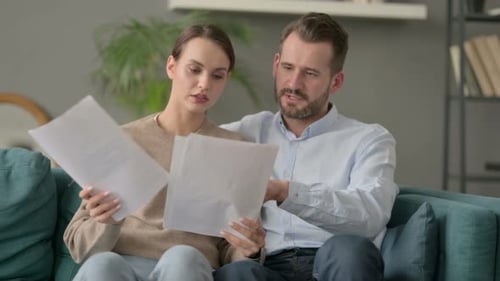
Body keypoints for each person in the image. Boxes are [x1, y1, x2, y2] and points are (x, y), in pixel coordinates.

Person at [64, 24, 265, 281]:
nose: (204, 84)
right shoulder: (123, 139)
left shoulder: (235, 150)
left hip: (188, 268)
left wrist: (250, 248)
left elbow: (231, 249)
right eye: (194, 70)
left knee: (183, 256)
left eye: (218, 75)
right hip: (119, 265)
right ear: (172, 66)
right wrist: (106, 221)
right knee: (103, 265)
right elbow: (78, 246)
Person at [214, 12, 398, 281]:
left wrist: (285, 192)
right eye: (288, 68)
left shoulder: (369, 139)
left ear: (336, 82)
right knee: (238, 273)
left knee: (347, 249)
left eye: (310, 73)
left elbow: (370, 215)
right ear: (276, 65)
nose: (293, 84)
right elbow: (183, 146)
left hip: (335, 265)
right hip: (267, 269)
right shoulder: (246, 132)